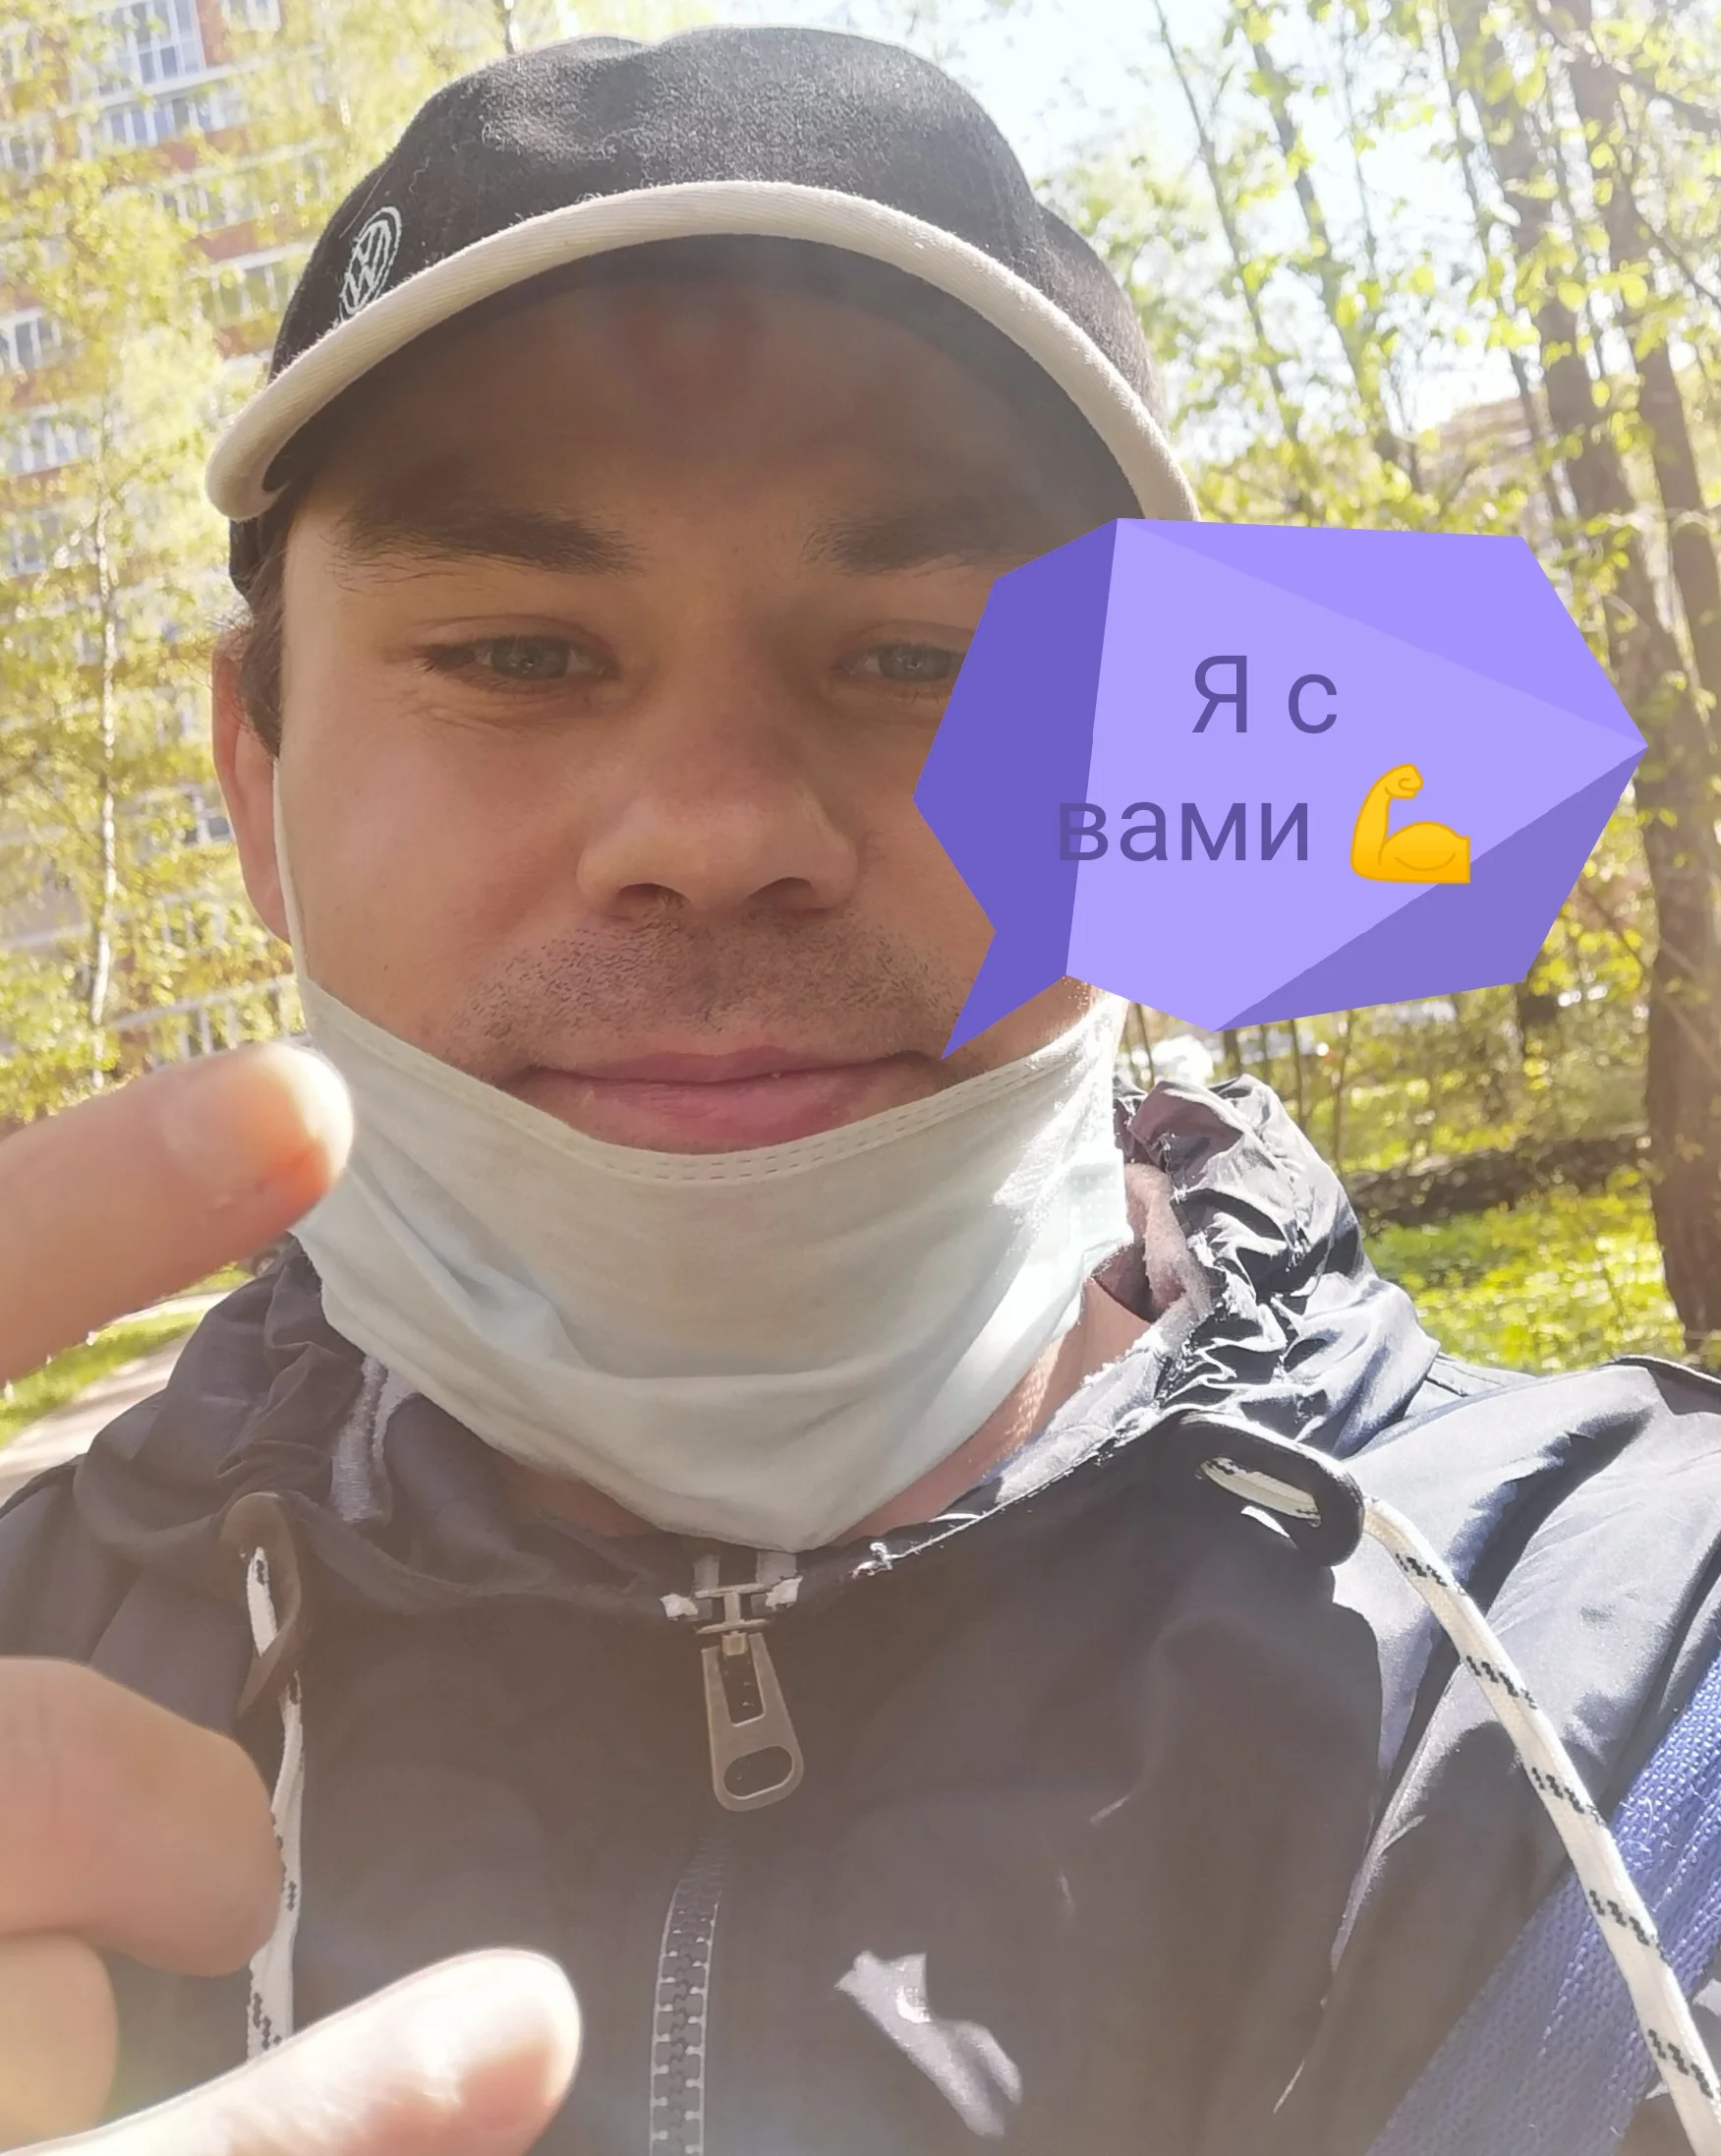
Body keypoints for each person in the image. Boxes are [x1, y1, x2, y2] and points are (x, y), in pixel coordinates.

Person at [2, 26, 1720, 2156]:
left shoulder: (1629, 1658)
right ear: (254, 779)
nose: (721, 829)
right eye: (519, 654)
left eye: (928, 656)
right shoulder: (30, 1661)